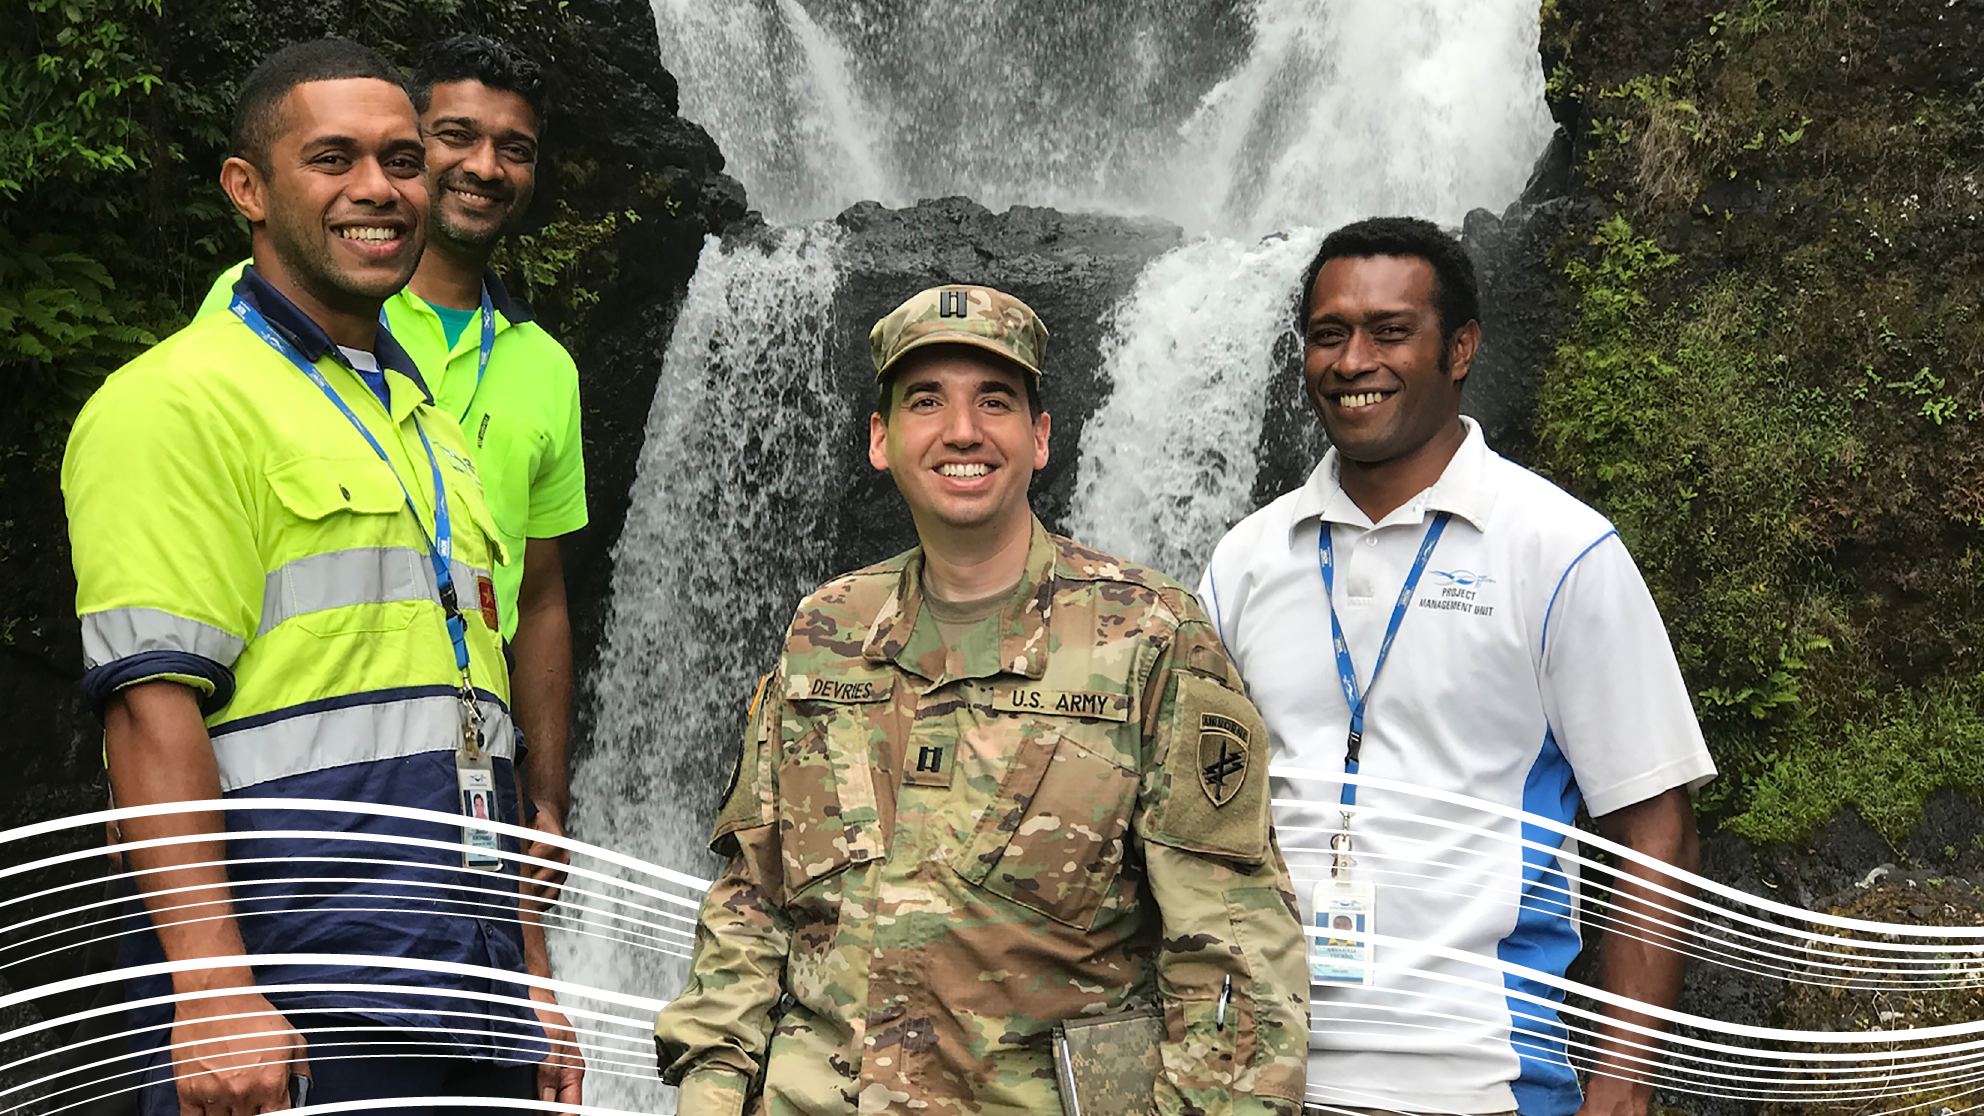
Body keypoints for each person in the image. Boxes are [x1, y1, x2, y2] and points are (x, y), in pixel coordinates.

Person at [62, 39, 582, 1114]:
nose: (380, 190)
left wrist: (530, 985)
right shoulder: (178, 402)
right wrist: (210, 987)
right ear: (247, 188)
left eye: (399, 160)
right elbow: (150, 711)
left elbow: (474, 720)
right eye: (333, 158)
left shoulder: (426, 427)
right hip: (293, 991)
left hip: (460, 984)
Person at [651, 285, 1311, 1116]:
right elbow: (750, 898)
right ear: (881, 441)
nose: (962, 430)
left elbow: (1237, 952)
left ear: (1039, 438)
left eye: (993, 401)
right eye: (927, 402)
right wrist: (709, 1095)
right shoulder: (825, 630)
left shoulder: (1152, 637)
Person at [1198, 217, 1716, 1116]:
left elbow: (1656, 823)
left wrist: (1622, 1085)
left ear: (1462, 347)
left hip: (1484, 1080)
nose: (1353, 360)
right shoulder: (1244, 560)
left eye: (1390, 331)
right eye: (1329, 335)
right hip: (1257, 1080)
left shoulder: (1559, 551)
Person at [195, 35, 588, 904]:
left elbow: (543, 594)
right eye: (454, 136)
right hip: (300, 798)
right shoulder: (275, 306)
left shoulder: (547, 367)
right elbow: (177, 559)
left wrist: (549, 799)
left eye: (514, 149)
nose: (483, 167)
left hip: (476, 794)